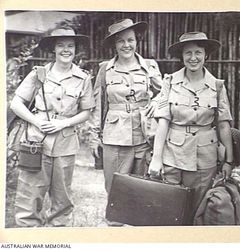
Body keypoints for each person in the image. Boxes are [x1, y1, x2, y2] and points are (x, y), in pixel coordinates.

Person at [10, 26, 95, 227]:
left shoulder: (83, 78)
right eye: (61, 45)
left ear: (76, 49)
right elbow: (16, 103)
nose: (66, 50)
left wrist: (64, 122)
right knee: (29, 197)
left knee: (62, 199)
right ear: (53, 49)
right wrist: (37, 121)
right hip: (35, 142)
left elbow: (86, 112)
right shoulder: (38, 74)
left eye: (71, 46)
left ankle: (58, 237)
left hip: (65, 143)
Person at [148, 31, 234, 223]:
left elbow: (223, 124)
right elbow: (163, 121)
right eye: (188, 53)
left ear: (206, 55)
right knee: (169, 210)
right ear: (182, 56)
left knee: (197, 210)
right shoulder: (170, 82)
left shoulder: (217, 86)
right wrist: (157, 158)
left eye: (198, 53)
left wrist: (228, 161)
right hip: (173, 153)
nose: (193, 58)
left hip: (205, 156)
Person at [89, 19, 162, 194]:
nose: (126, 45)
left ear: (137, 41)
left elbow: (165, 92)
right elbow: (97, 105)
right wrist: (93, 136)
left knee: (143, 189)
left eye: (130, 40)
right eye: (120, 41)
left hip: (144, 135)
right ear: (115, 44)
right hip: (114, 137)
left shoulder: (150, 66)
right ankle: (115, 223)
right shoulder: (105, 69)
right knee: (116, 189)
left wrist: (156, 102)